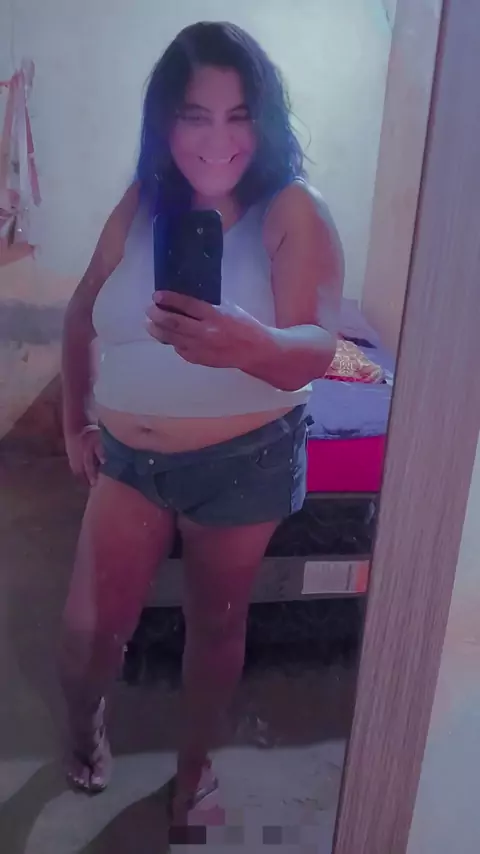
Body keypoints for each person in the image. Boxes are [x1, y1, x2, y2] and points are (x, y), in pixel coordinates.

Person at [59, 20, 344, 826]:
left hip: (246, 458)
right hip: (127, 458)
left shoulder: (293, 208)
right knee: (87, 634)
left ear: (266, 119)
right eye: (194, 116)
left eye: (238, 115)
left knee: (216, 627)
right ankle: (85, 725)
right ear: (164, 121)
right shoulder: (142, 203)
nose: (217, 141)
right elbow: (80, 311)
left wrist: (251, 345)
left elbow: (318, 347)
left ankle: (195, 770)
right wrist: (75, 420)